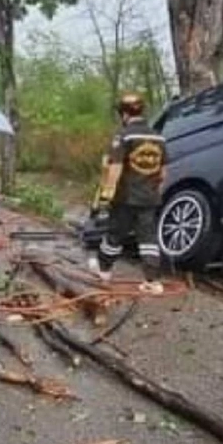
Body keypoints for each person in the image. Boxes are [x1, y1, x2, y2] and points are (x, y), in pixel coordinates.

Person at [93, 93, 167, 295]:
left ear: (123, 114)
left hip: (125, 197)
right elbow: (163, 172)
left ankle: (104, 273)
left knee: (115, 235)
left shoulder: (124, 137)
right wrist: (155, 193)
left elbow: (115, 168)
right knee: (149, 239)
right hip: (149, 198)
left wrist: (106, 196)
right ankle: (152, 281)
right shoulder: (158, 137)